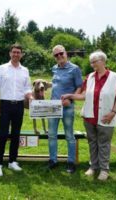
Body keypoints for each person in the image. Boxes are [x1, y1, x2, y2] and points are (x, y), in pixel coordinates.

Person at [61, 50, 116, 181]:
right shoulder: (90, 77)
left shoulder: (114, 77)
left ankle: (104, 170)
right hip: (90, 117)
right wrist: (70, 95)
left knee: (104, 144)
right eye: (91, 62)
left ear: (102, 61)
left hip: (106, 117)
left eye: (94, 62)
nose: (92, 65)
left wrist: (113, 113)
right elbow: (83, 95)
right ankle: (93, 167)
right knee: (92, 143)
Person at [0, 44, 33, 176]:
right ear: (10, 53)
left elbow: (27, 88)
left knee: (16, 134)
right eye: (14, 52)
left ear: (21, 55)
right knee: (3, 134)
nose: (16, 54)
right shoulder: (2, 68)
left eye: (18, 52)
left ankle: (12, 161)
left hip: (19, 105)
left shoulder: (25, 70)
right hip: (5, 105)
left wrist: (30, 97)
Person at [47, 45, 83, 173]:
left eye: (61, 53)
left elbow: (80, 87)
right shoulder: (54, 68)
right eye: (56, 55)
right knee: (51, 134)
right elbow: (56, 83)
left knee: (69, 135)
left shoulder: (75, 69)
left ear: (66, 53)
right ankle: (53, 160)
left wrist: (71, 99)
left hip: (67, 107)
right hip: (53, 107)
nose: (59, 56)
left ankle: (71, 162)